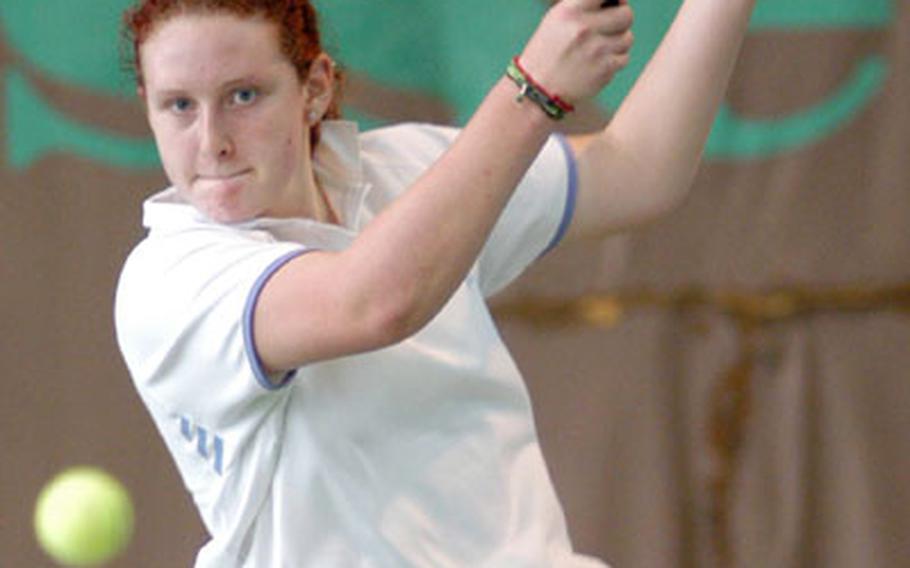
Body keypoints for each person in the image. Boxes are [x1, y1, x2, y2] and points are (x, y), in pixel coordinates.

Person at [114, 0, 756, 565]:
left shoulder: (405, 171)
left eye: (243, 96)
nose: (211, 141)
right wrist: (531, 90)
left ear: (313, 88)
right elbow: (374, 302)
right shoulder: (166, 283)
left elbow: (638, 173)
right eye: (178, 106)